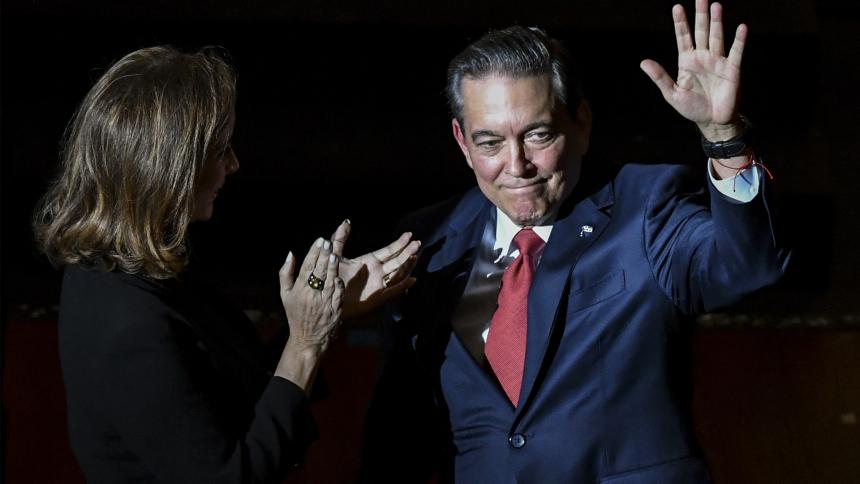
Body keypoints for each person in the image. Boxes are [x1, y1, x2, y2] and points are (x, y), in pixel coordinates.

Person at [361, 1, 790, 482]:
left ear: (582, 123)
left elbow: (747, 267)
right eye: (489, 143)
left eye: (538, 135)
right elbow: (398, 433)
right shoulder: (429, 242)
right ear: (462, 142)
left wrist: (723, 137)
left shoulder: (646, 208)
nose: (517, 164)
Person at [32, 46, 419, 483]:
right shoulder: (131, 325)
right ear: (167, 168)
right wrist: (306, 341)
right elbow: (230, 474)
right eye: (220, 149)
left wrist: (325, 312)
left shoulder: (136, 269)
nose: (234, 164)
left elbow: (239, 393)